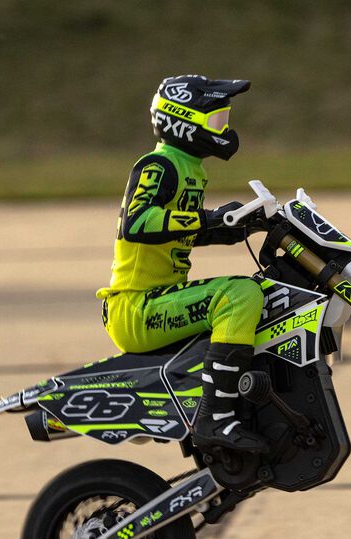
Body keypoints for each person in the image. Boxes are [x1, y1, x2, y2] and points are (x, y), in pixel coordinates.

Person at [97, 75, 268, 452]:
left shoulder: (191, 168)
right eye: (216, 120)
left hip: (158, 299)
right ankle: (215, 418)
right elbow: (137, 223)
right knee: (239, 295)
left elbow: (180, 232)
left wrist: (235, 227)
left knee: (266, 293)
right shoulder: (159, 164)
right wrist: (209, 219)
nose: (224, 129)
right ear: (183, 122)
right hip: (137, 306)